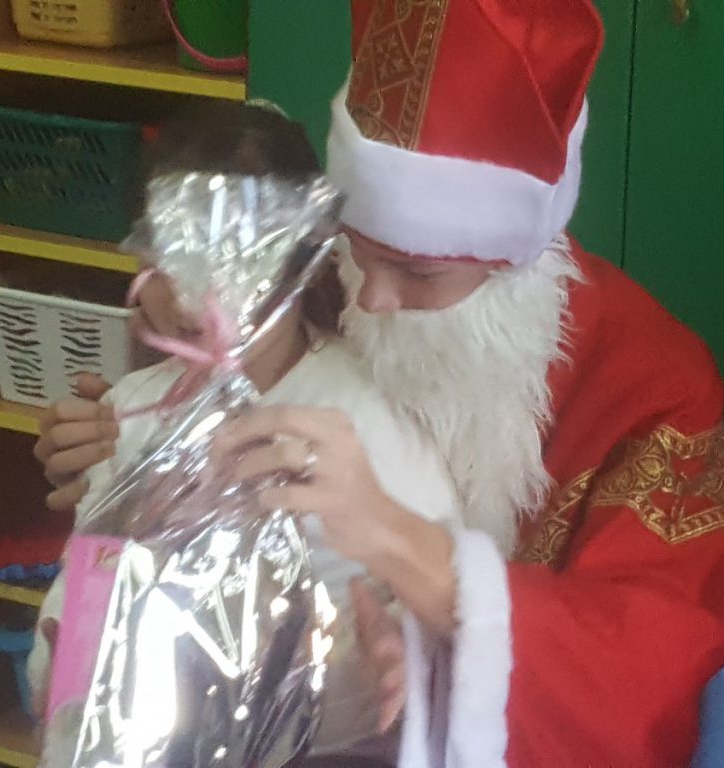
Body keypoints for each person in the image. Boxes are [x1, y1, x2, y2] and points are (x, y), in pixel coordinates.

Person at [36, 3, 724, 766]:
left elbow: (645, 668)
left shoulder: (649, 383)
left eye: (418, 273)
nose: (373, 299)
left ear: (506, 259)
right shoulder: (324, 288)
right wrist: (122, 440)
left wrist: (410, 559)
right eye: (356, 250)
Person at [27, 102, 459, 764]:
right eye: (167, 258)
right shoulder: (132, 410)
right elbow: (91, 568)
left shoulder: (363, 417)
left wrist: (398, 655)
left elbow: (438, 572)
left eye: (224, 256)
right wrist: (59, 672)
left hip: (325, 745)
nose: (188, 296)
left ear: (294, 261)